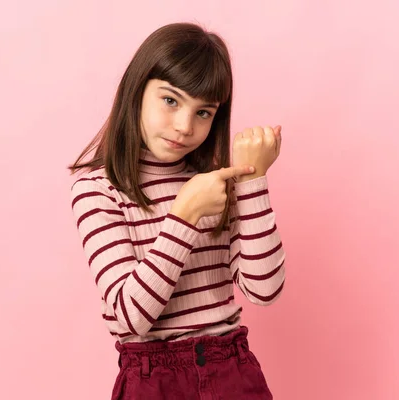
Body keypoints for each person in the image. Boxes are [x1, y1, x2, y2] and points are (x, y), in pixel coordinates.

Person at [69, 22, 286, 399]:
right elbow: (132, 316)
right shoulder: (99, 191)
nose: (184, 126)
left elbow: (265, 290)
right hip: (154, 379)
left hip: (232, 371)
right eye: (170, 100)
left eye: (203, 113)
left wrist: (253, 182)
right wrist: (184, 215)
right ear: (136, 91)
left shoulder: (216, 185)